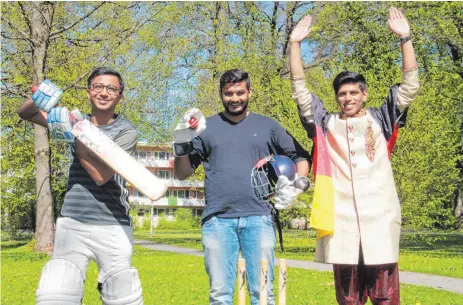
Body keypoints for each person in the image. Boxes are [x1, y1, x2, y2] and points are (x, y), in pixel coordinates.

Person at [289, 7, 419, 305]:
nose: (347, 99)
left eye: (353, 93)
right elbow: (300, 92)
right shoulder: (326, 123)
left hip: (380, 214)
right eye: (341, 94)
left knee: (385, 296)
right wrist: (295, 45)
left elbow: (410, 86)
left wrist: (405, 38)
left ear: (365, 94)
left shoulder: (382, 119)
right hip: (342, 216)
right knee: (348, 298)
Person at [173, 69, 311, 305]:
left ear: (249, 92)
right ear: (221, 94)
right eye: (228, 93)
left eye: (239, 92)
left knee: (263, 294)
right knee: (219, 295)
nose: (234, 98)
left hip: (259, 218)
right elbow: (183, 173)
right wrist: (181, 142)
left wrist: (298, 185)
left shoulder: (268, 126)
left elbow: (300, 157)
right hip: (217, 220)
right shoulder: (206, 128)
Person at [17, 67, 143, 305]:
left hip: (113, 224)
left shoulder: (126, 132)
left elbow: (101, 175)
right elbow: (26, 113)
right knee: (56, 294)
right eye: (97, 87)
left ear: (120, 96)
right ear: (88, 92)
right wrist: (39, 97)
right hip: (72, 221)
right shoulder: (74, 121)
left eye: (111, 88)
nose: (103, 92)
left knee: (122, 295)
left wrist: (75, 134)